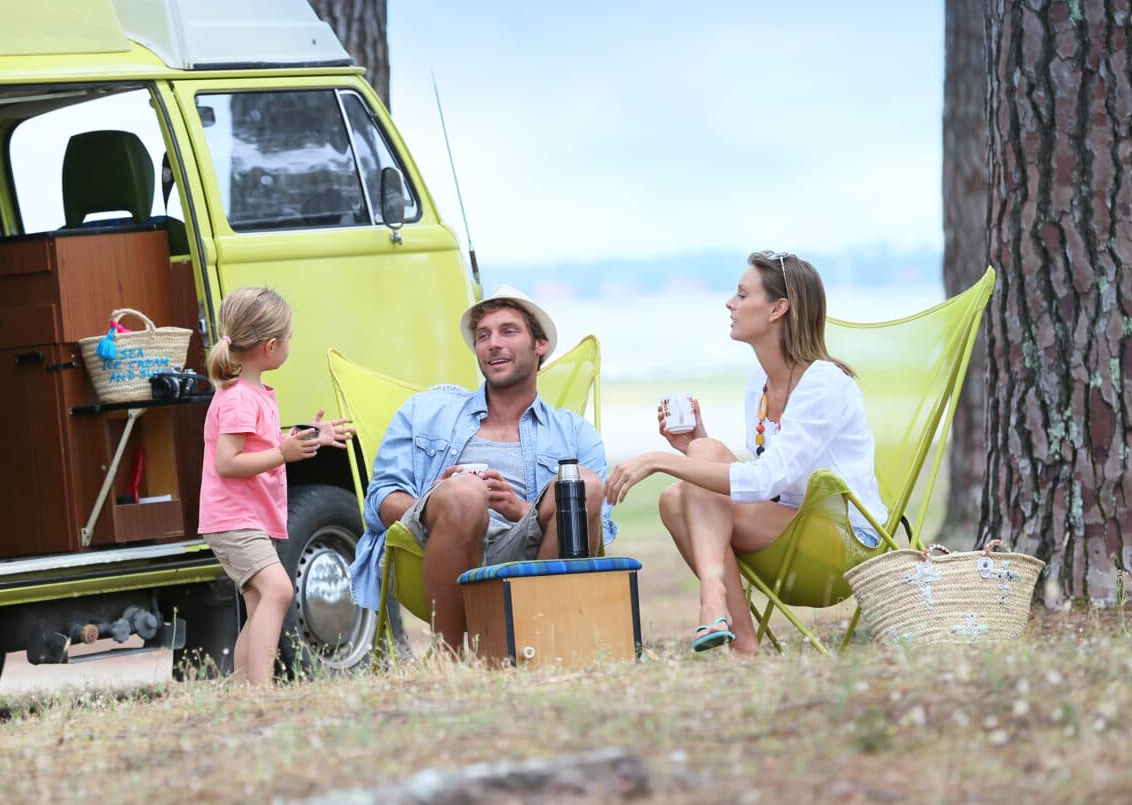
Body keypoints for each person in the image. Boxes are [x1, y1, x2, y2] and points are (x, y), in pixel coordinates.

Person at [604, 251, 887, 656]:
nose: (729, 303)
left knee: (681, 484)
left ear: (778, 308)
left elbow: (765, 481)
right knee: (679, 488)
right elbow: (769, 480)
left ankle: (713, 599)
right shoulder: (760, 381)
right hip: (788, 530)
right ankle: (745, 645)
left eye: (741, 294)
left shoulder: (825, 383)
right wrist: (693, 448)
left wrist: (660, 460)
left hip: (843, 547)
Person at [351, 285, 617, 651]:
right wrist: (437, 503)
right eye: (483, 336)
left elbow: (599, 528)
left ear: (539, 345)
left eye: (508, 331)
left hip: (531, 550)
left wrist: (519, 509)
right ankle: (450, 655)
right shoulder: (426, 411)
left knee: (581, 485)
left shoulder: (573, 432)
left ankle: (539, 642)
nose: (492, 343)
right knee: (465, 493)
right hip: (434, 548)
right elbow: (379, 501)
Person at [198, 286, 353, 687]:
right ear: (270, 346)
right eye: (289, 337)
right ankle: (261, 689)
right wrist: (284, 453)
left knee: (260, 604)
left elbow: (264, 443)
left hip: (248, 518)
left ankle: (243, 690)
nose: (290, 344)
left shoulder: (256, 394)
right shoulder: (237, 399)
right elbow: (228, 462)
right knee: (280, 590)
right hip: (233, 520)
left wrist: (312, 435)